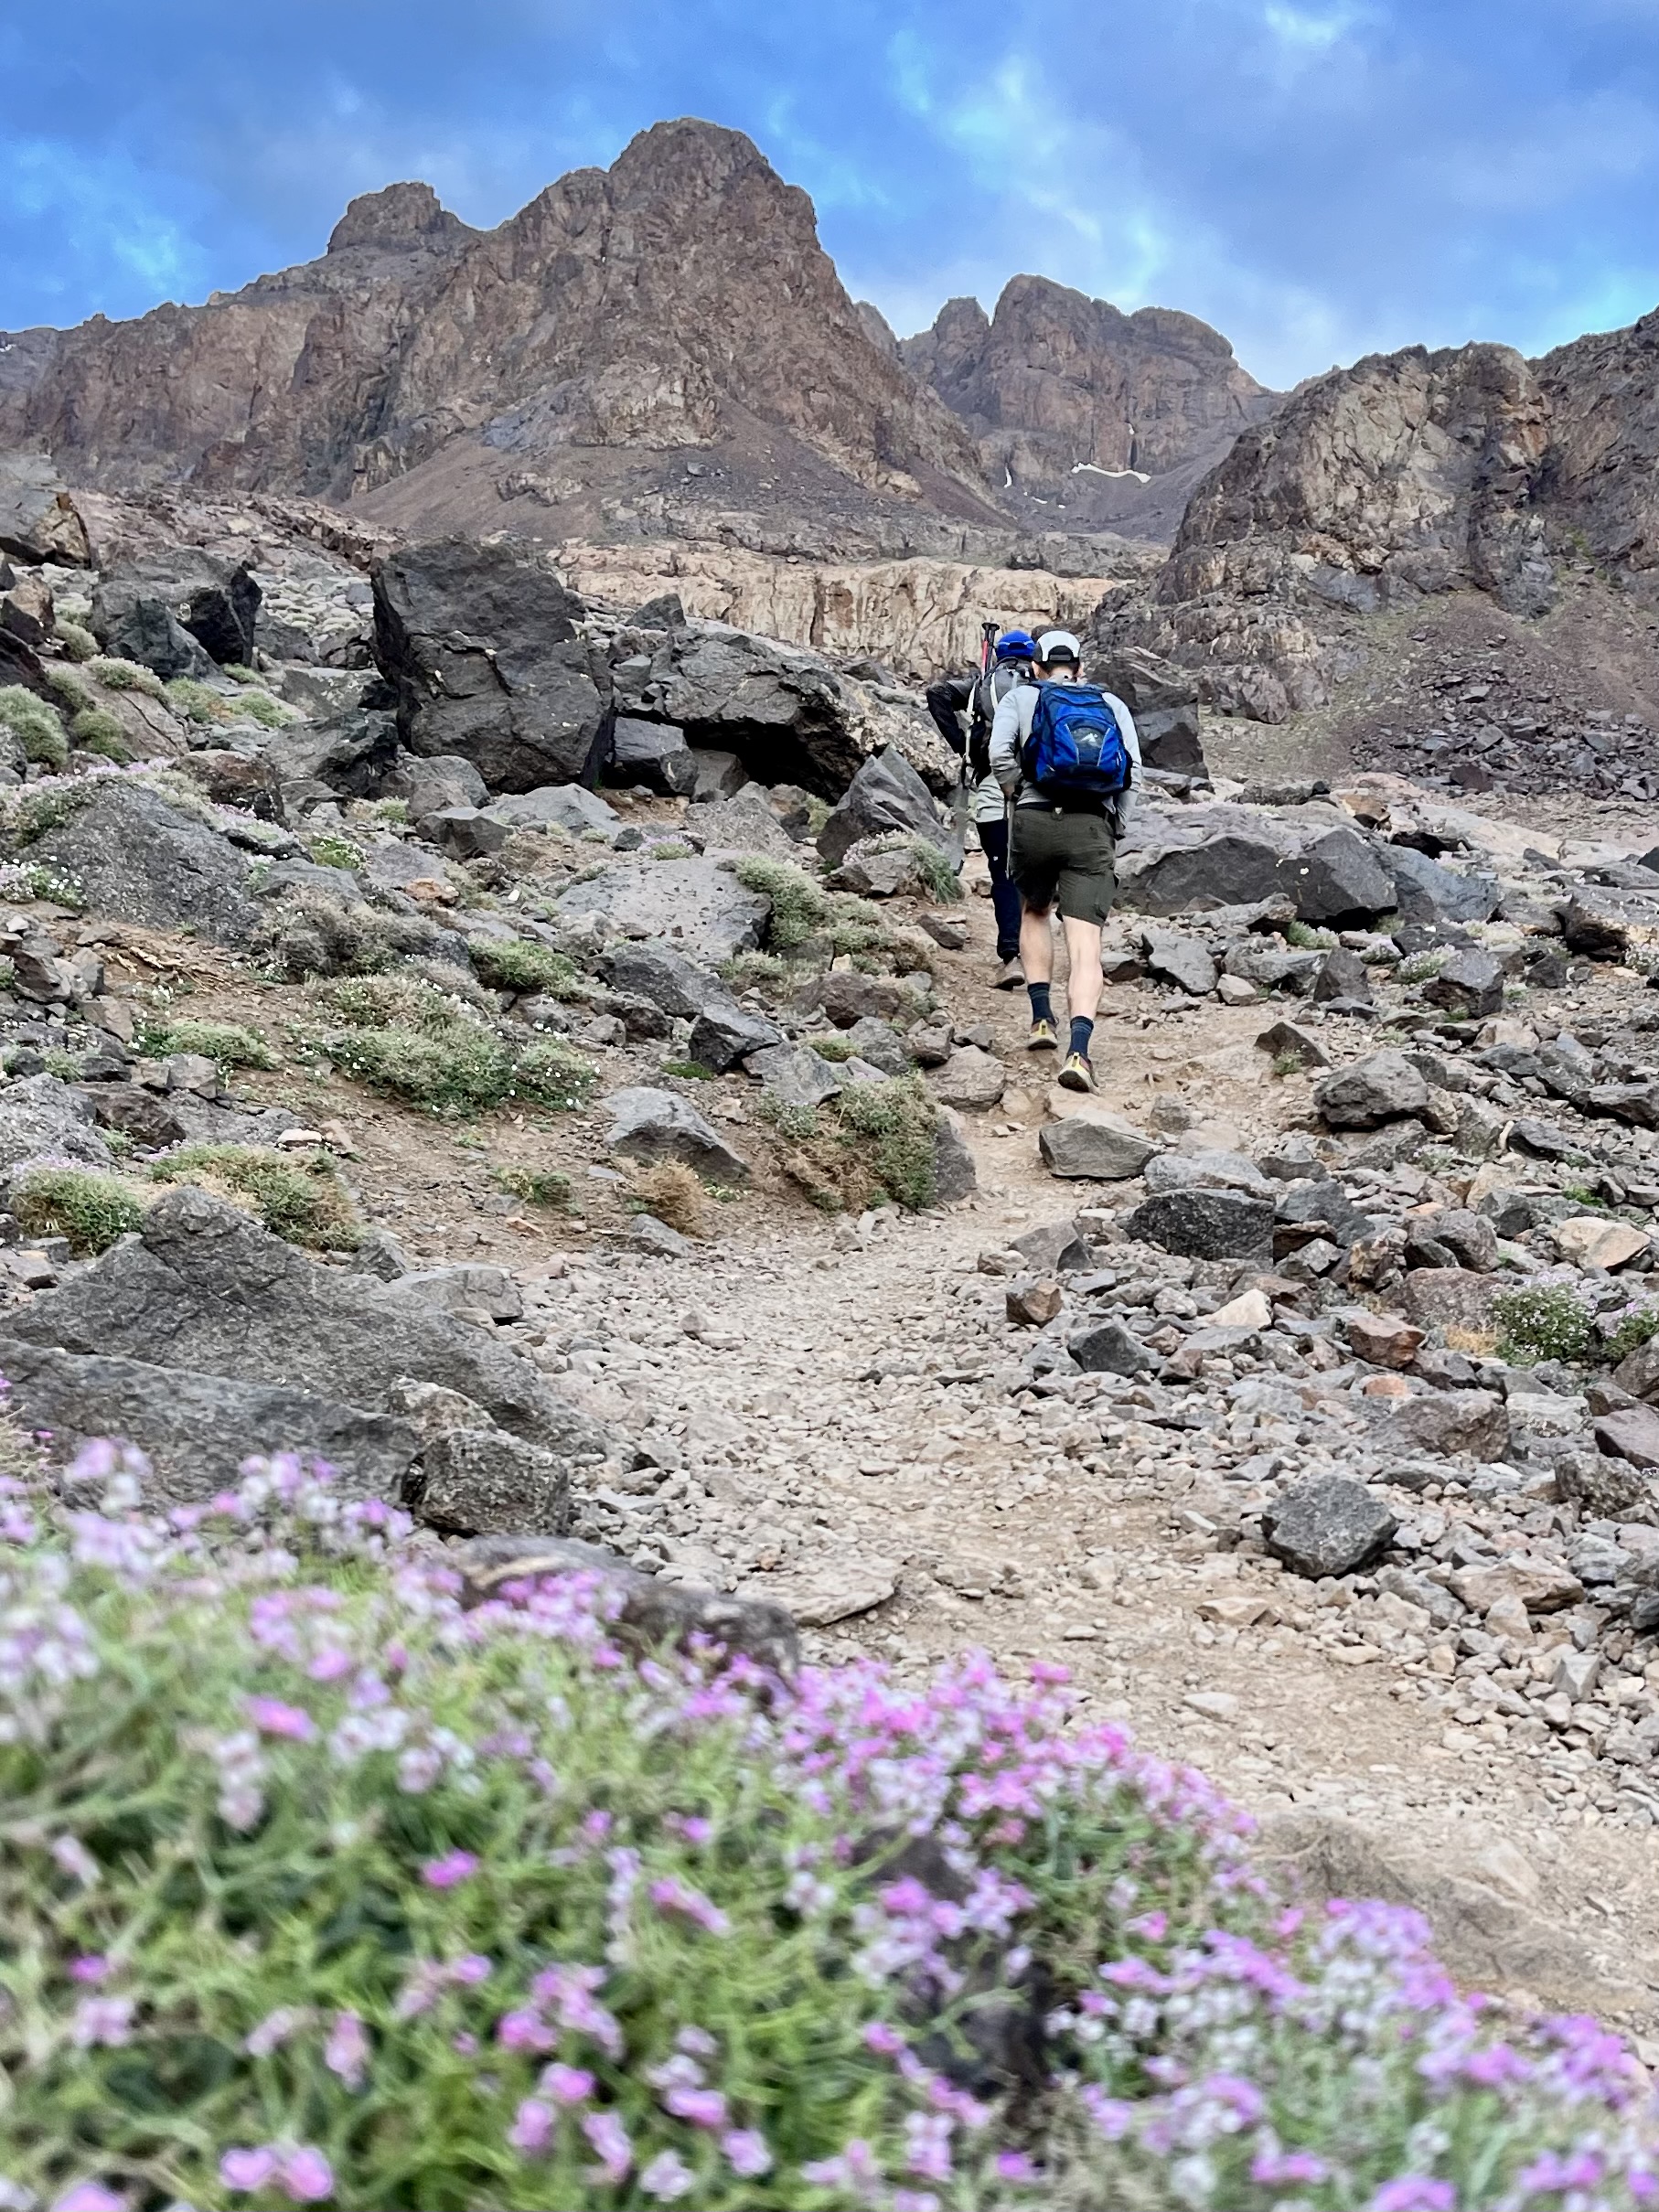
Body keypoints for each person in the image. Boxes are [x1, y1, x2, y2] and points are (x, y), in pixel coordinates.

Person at [989, 628, 1140, 1094]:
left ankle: (1040, 1021)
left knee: (1034, 910)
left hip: (1034, 821)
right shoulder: (1110, 704)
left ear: (1035, 666)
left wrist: (1021, 798)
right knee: (1085, 942)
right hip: (1090, 827)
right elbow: (1133, 774)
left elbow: (999, 757)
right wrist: (1115, 827)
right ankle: (1079, 1051)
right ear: (1078, 667)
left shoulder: (1020, 697)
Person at [926, 628, 1036, 987]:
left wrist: (964, 746)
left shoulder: (982, 684)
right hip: (1044, 791)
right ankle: (1054, 951)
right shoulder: (1046, 683)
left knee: (1004, 873)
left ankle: (1011, 956)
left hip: (994, 788)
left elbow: (937, 693)